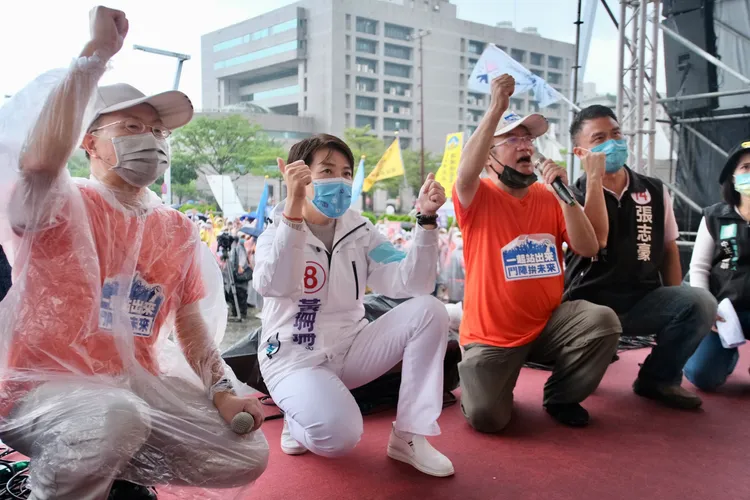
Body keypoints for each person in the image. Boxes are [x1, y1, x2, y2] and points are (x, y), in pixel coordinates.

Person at [0, 7, 268, 500]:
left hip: (130, 390)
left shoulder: (176, 228)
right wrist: (95, 56)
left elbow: (189, 324)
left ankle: (105, 471)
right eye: (131, 126)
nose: (152, 140)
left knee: (245, 451)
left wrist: (222, 392)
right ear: (90, 142)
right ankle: (57, 482)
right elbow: (37, 163)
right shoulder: (61, 204)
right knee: (114, 417)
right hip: (40, 391)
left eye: (159, 131)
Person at [253, 134, 455, 477]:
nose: (341, 181)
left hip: (352, 347)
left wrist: (426, 220)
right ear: (299, 175)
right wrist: (293, 212)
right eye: (327, 171)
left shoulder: (361, 231)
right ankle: (298, 417)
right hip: (294, 355)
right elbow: (276, 285)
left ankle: (409, 434)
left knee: (429, 310)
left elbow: (411, 283)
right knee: (339, 437)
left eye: (346, 173)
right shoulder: (276, 230)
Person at [453, 74, 622, 432]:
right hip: (492, 337)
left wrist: (564, 194)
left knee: (602, 322)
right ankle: (486, 380)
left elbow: (589, 246)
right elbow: (464, 173)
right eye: (513, 139)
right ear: (489, 157)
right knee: (487, 419)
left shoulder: (549, 196)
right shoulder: (478, 195)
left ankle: (560, 396)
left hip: (547, 325)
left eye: (529, 139)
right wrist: (496, 108)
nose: (526, 146)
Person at [564, 104, 717, 409]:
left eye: (616, 134)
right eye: (599, 138)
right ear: (580, 153)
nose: (613, 143)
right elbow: (589, 245)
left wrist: (677, 302)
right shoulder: (570, 197)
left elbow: (670, 249)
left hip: (641, 300)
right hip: (588, 306)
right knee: (578, 388)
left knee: (700, 302)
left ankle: (659, 379)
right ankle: (584, 356)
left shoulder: (654, 190)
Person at [683, 140, 750, 390]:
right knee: (702, 376)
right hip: (724, 310)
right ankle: (727, 356)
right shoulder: (714, 216)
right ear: (732, 176)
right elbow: (698, 269)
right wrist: (707, 309)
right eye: (746, 167)